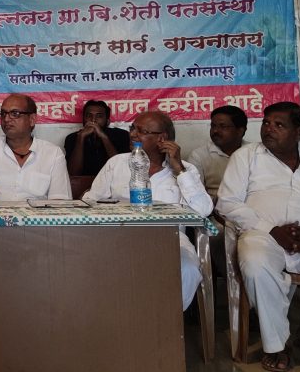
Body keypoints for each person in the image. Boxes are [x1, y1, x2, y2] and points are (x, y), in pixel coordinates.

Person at [217, 102, 300, 372]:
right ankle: (277, 344)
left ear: (299, 131)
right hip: (262, 234)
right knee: (256, 264)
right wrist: (271, 230)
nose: (269, 129)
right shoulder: (246, 157)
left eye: (279, 125)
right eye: (266, 123)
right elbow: (227, 203)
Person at [82, 111, 212, 310]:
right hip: (118, 236)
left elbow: (203, 210)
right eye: (132, 128)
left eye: (141, 131)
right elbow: (89, 201)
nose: (133, 134)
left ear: (162, 138)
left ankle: (167, 320)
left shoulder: (185, 169)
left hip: (170, 238)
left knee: (188, 269)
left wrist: (179, 170)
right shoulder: (116, 163)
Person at [0, 94, 71, 201]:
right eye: (3, 113)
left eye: (15, 114)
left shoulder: (53, 154)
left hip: (37, 212)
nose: (6, 119)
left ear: (32, 119)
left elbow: (60, 201)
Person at [187, 105, 248, 201]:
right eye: (213, 126)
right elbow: (195, 194)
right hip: (216, 206)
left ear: (240, 131)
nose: (215, 131)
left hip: (251, 205)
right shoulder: (199, 155)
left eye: (223, 126)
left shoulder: (254, 152)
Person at [64, 100, 130, 177]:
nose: (93, 120)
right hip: (84, 184)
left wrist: (104, 137)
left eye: (99, 116)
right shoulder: (72, 138)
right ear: (83, 120)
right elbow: (73, 173)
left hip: (114, 182)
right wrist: (80, 138)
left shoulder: (122, 135)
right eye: (89, 115)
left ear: (108, 121)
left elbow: (121, 169)